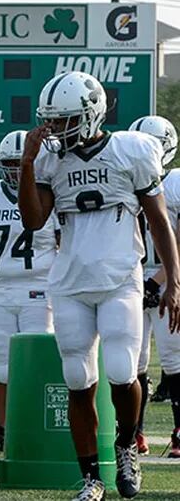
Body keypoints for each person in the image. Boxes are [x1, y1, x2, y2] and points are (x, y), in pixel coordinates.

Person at [18, 71, 180, 501]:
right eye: (51, 120)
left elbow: (159, 221)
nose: (55, 129)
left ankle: (126, 446)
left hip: (119, 279)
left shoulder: (131, 150)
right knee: (77, 378)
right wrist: (28, 164)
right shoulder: (50, 159)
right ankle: (91, 477)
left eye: (64, 120)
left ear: (91, 114)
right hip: (70, 283)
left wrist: (174, 280)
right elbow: (33, 220)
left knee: (123, 372)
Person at [0, 130, 58, 454]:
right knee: (2, 366)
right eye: (10, 165)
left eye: (22, 164)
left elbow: (64, 244)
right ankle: (0, 430)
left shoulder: (51, 194)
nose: (17, 171)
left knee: (36, 362)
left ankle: (35, 428)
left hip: (40, 286)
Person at [129, 115, 180, 458]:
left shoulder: (175, 183)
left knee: (174, 357)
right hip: (130, 277)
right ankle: (134, 432)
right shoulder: (124, 177)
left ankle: (179, 432)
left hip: (168, 279)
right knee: (133, 361)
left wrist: (158, 280)